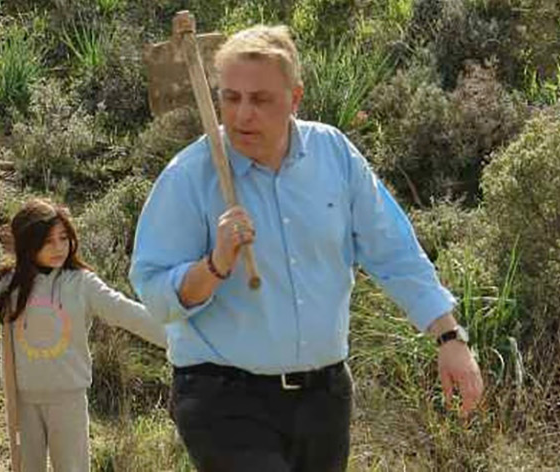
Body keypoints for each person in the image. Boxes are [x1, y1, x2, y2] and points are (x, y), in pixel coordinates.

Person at [132, 25, 484, 472]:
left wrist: (449, 337)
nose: (242, 115)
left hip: (324, 397)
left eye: (260, 99)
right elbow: (154, 291)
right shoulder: (189, 175)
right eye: (231, 97)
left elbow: (393, 250)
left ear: (295, 98)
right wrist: (215, 265)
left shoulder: (334, 154)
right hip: (222, 397)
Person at [0, 199, 165, 472]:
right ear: (27, 244)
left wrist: (180, 340)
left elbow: (128, 313)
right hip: (22, 401)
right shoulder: (10, 283)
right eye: (48, 241)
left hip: (68, 400)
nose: (58, 248)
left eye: (63, 238)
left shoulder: (82, 284)